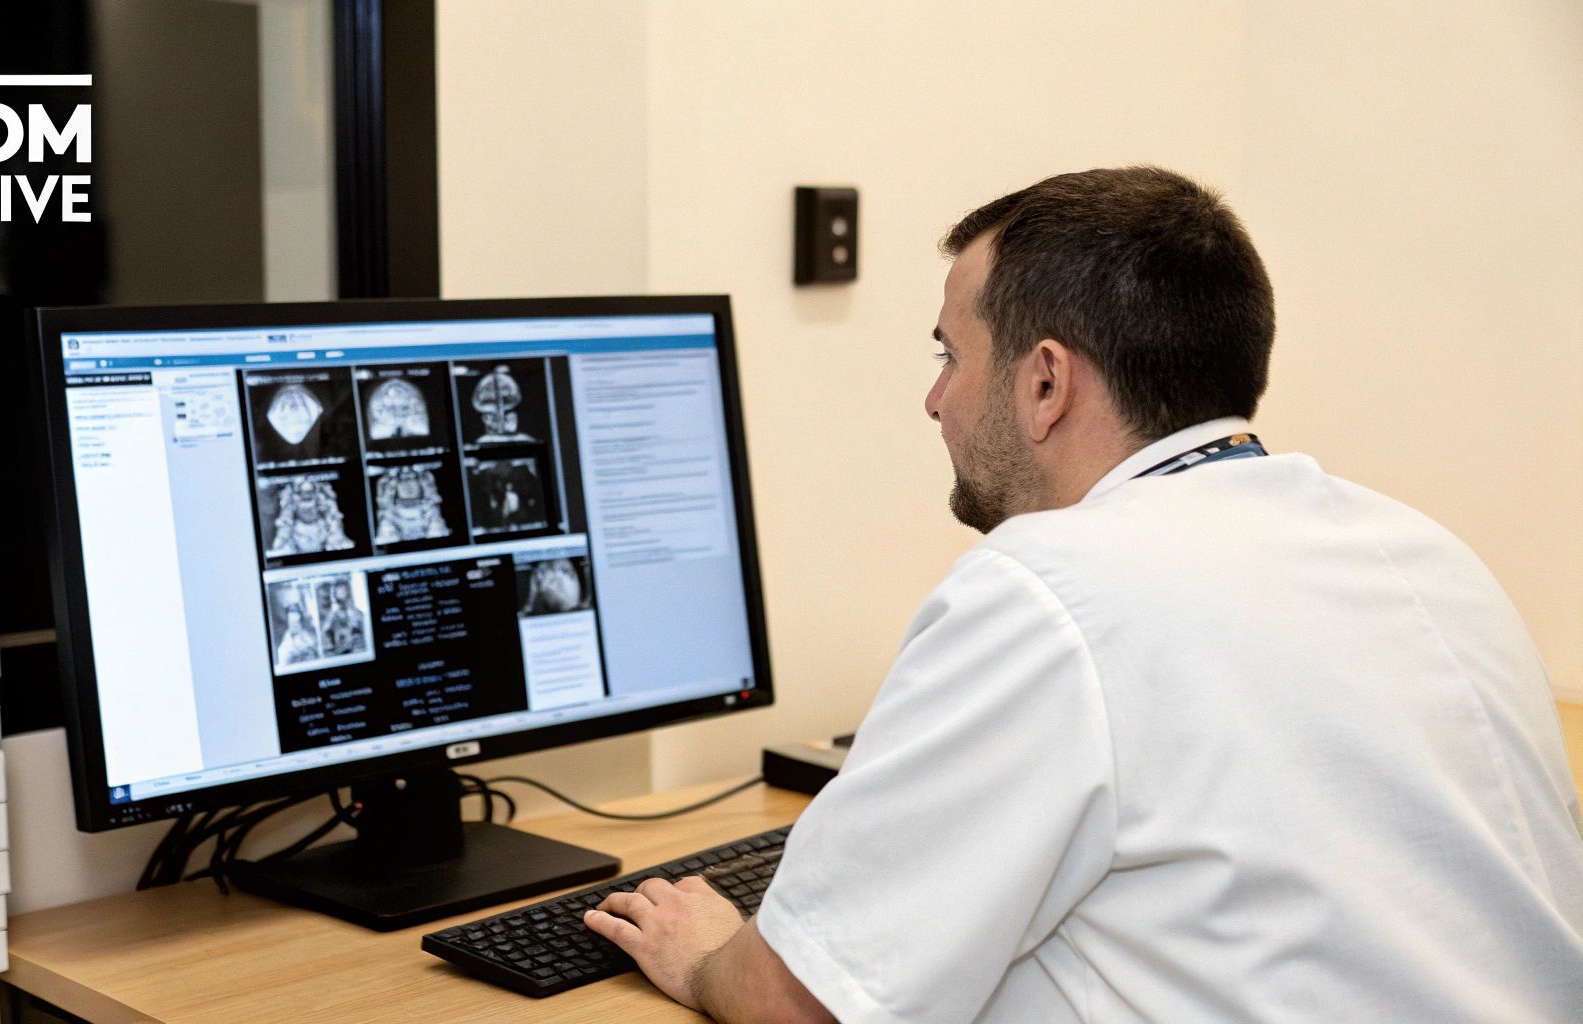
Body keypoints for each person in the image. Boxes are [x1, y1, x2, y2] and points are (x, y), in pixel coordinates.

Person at [583, 167, 1583, 1022]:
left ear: (1045, 382)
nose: (934, 398)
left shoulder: (1048, 588)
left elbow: (797, 1001)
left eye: (949, 353)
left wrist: (710, 947)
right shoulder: (1424, 550)